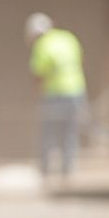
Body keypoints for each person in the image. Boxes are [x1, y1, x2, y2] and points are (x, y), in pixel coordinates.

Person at [25, 12, 87, 185]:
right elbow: (80, 60)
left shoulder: (42, 45)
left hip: (54, 94)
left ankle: (45, 171)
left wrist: (35, 96)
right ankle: (68, 172)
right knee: (70, 132)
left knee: (48, 133)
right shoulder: (68, 38)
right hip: (76, 90)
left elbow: (38, 74)